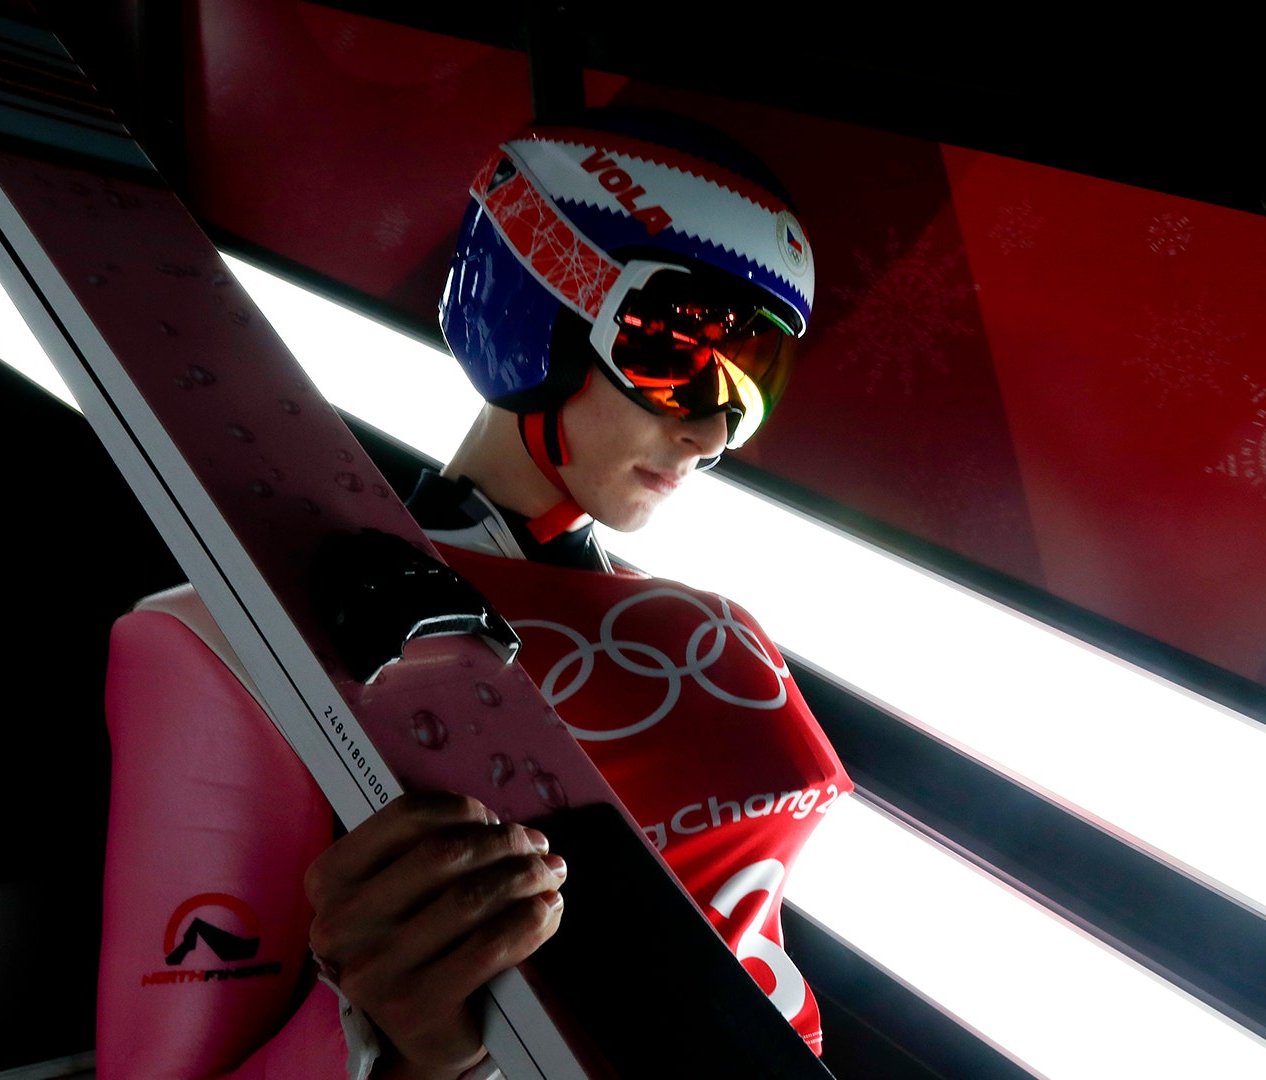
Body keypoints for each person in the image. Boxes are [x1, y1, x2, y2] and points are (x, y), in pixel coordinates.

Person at [96, 109, 849, 1080]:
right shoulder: (224, 637)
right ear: (541, 300)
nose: (711, 431)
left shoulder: (726, 631)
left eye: (753, 382)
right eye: (674, 350)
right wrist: (399, 1046)